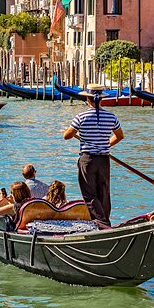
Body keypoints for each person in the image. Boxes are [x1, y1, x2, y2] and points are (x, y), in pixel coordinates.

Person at [63, 84, 124, 229]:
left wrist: (73, 132)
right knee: (103, 191)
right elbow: (119, 136)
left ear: (87, 99)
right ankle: (105, 221)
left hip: (88, 159)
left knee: (89, 193)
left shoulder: (81, 116)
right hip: (104, 159)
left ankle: (102, 224)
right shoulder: (111, 116)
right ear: (101, 99)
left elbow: (67, 136)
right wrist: (105, 145)